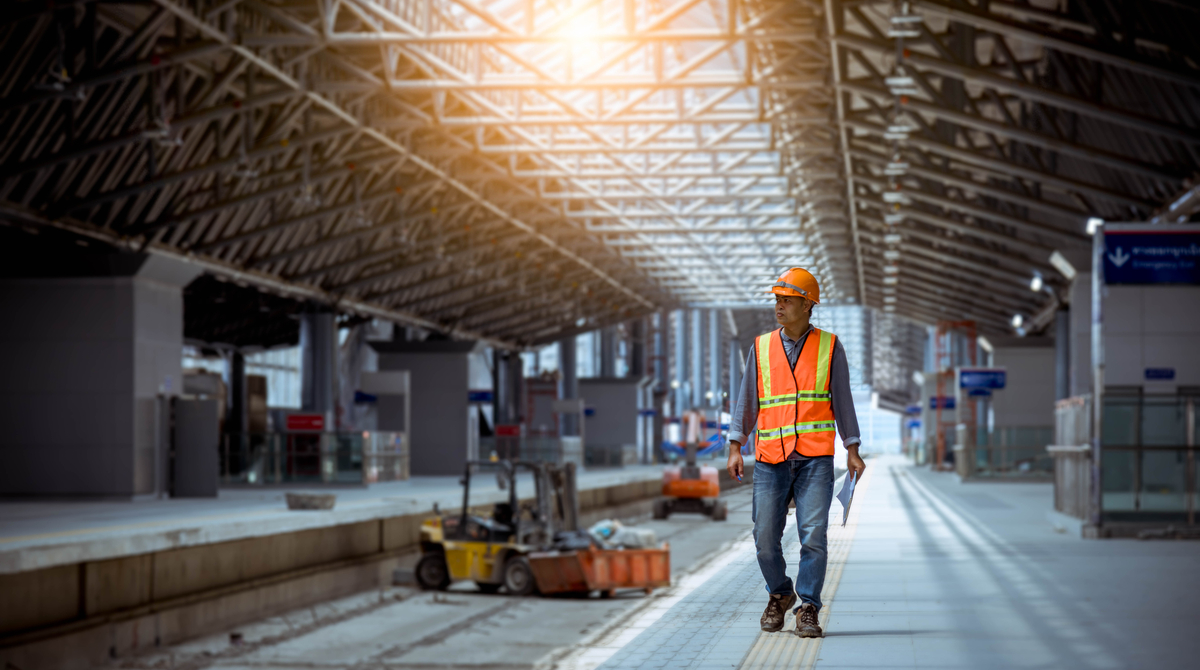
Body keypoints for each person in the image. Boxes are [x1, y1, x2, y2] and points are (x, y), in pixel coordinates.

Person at [726, 267, 866, 638]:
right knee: (763, 538)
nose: (779, 306)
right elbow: (747, 401)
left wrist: (852, 447)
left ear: (807, 305)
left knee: (813, 536)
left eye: (787, 300)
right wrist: (735, 444)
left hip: (814, 459)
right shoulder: (760, 347)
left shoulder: (830, 347)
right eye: (777, 299)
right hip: (771, 457)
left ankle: (808, 606)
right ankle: (780, 593)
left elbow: (843, 401)